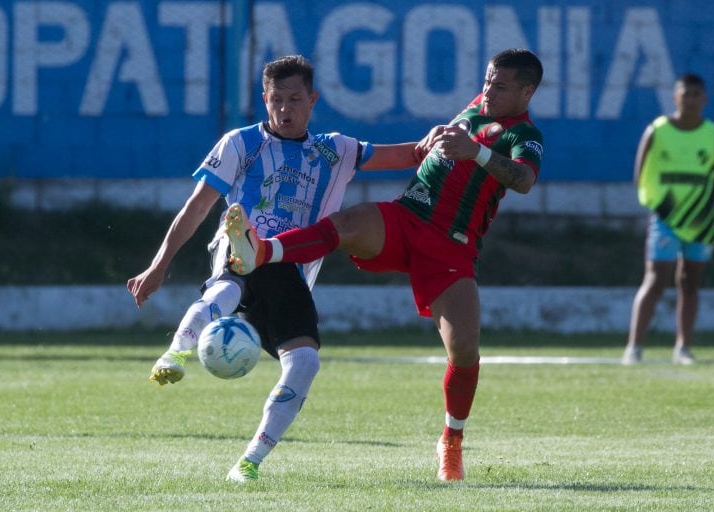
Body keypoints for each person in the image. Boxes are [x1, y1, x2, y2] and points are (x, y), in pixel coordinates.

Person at [223, 48, 545, 481]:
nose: (488, 90)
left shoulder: (523, 134)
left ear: (527, 91)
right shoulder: (478, 106)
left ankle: (451, 440)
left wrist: (478, 153)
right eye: (487, 80)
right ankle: (262, 251)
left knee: (465, 352)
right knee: (350, 221)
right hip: (407, 216)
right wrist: (434, 137)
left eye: (500, 85)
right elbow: (450, 140)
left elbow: (524, 180)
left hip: (450, 248)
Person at [126, 55, 420, 482]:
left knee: (305, 364)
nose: (285, 108)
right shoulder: (241, 144)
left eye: (295, 99)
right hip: (239, 253)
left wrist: (443, 141)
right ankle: (178, 350)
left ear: (312, 100)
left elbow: (406, 155)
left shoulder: (335, 150)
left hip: (290, 269)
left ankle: (249, 462)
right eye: (276, 99)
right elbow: (197, 207)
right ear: (264, 99)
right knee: (227, 286)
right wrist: (158, 265)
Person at [622, 73, 714, 366]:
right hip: (665, 217)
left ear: (704, 99)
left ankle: (683, 348)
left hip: (700, 220)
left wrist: (701, 208)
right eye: (686, 94)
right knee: (655, 279)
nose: (691, 100)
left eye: (697, 94)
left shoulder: (713, 133)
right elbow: (641, 176)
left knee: (690, 282)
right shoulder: (658, 130)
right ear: (675, 97)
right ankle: (635, 347)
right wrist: (662, 206)